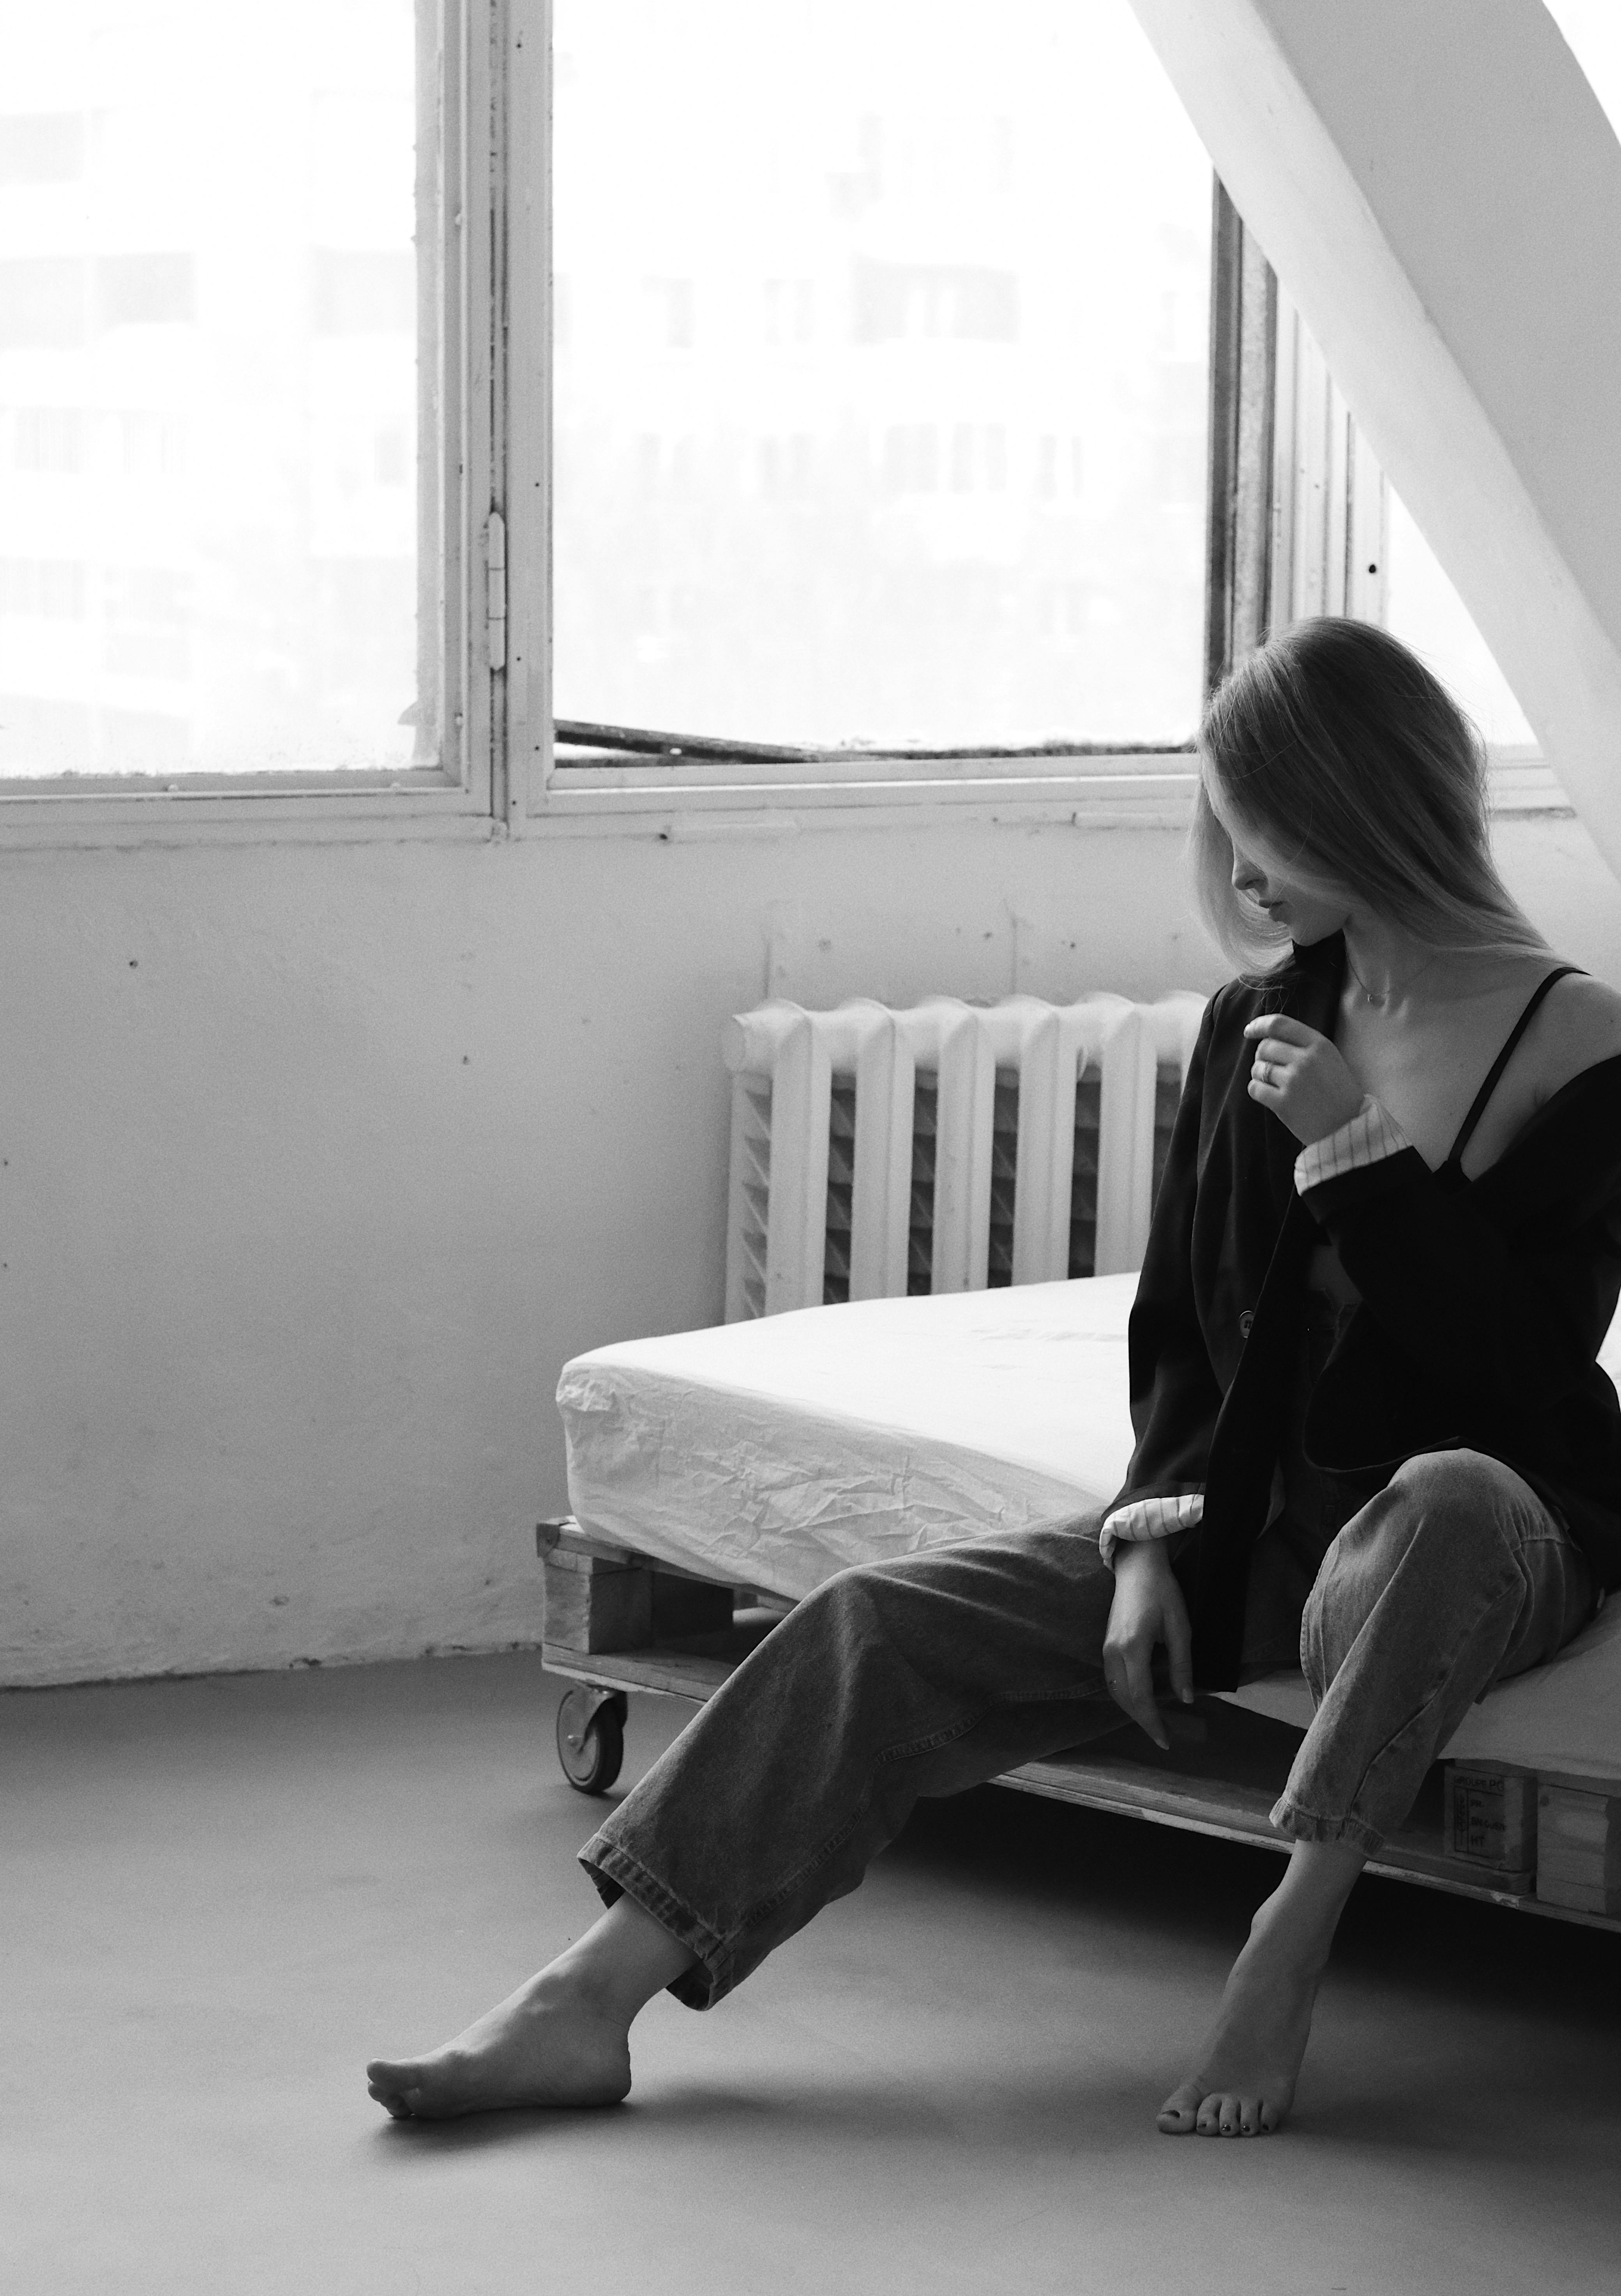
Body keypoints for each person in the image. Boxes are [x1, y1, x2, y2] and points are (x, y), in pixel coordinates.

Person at [368, 617, 1621, 2137]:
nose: (1238, 870)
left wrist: (1357, 1158)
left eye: (1267, 825)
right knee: (869, 1627)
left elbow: (1522, 1375)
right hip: (1254, 1523)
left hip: (1477, 1530)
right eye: (1224, 827)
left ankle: (1288, 1931)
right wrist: (1143, 1544)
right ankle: (585, 2002)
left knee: (1446, 1496)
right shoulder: (1256, 1021)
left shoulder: (1575, 1044)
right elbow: (1180, 1327)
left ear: (1369, 804)